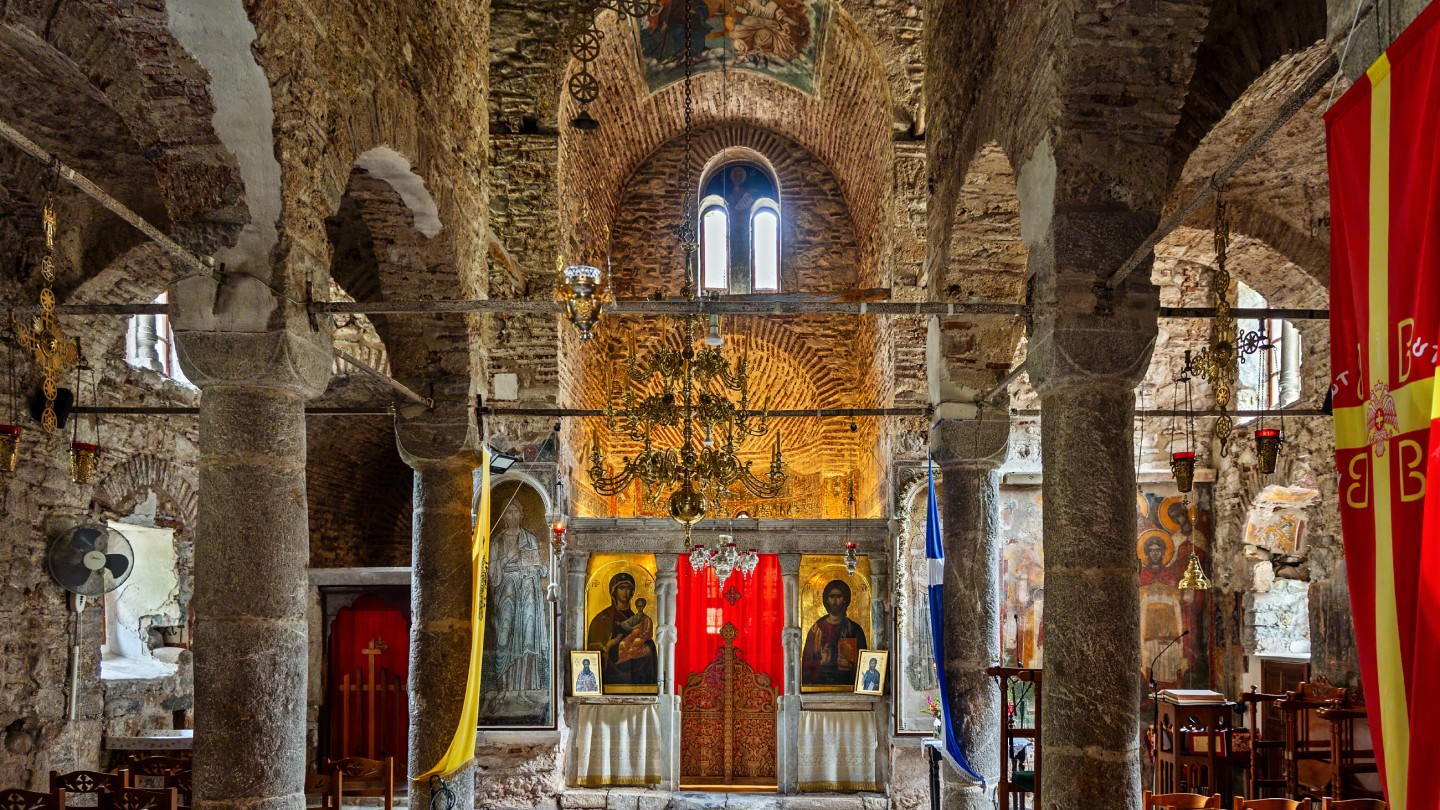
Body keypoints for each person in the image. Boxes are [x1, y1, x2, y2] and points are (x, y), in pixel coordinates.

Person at [489, 501, 548, 693]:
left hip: (527, 591)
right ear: (504, 516)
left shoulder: (529, 538)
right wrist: (507, 558)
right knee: (503, 637)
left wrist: (539, 569)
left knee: (526, 638)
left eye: (516, 512)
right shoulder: (497, 541)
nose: (512, 516)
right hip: (506, 591)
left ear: (521, 515)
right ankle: (502, 690)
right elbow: (491, 575)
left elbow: (537, 565)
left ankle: (524, 690)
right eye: (508, 512)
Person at [586, 572, 658, 687]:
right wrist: (608, 646)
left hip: (635, 678)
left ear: (633, 592)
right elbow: (593, 652)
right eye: (621, 588)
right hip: (612, 676)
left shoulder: (638, 618)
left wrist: (648, 648)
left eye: (628, 588)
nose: (625, 592)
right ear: (614, 591)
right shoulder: (602, 619)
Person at [802, 579, 867, 685]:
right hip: (820, 685)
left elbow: (865, 664)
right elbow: (805, 665)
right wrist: (821, 661)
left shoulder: (855, 629)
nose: (835, 601)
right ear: (826, 600)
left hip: (847, 685)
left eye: (839, 596)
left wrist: (850, 666)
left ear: (845, 599)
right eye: (831, 597)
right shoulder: (817, 629)